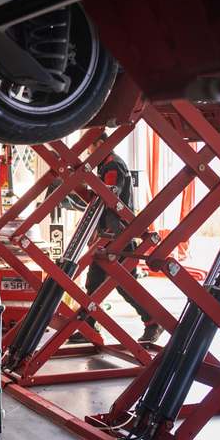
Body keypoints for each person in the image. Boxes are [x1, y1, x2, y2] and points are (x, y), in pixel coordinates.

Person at [69, 132, 164, 344]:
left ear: (100, 144)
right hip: (109, 235)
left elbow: (108, 198)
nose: (88, 152)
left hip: (119, 237)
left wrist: (81, 189)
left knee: (124, 285)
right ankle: (90, 327)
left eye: (89, 148)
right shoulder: (106, 165)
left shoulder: (113, 165)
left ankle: (153, 322)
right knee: (94, 283)